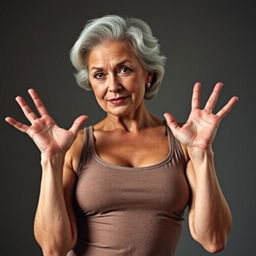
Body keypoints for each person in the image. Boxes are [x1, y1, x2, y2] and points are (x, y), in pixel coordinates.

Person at [5, 15, 238, 256]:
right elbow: (54, 249)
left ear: (147, 74)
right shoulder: (74, 147)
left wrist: (202, 154)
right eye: (99, 75)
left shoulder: (183, 143)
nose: (113, 85)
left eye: (124, 69)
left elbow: (214, 240)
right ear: (91, 83)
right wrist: (51, 161)